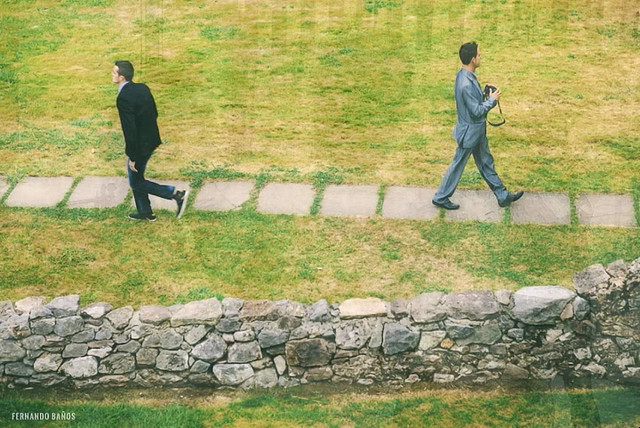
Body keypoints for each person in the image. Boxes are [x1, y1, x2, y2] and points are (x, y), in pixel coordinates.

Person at [432, 42, 523, 210]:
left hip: (476, 132)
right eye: (479, 55)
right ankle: (440, 197)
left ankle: (502, 195)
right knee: (458, 164)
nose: (481, 57)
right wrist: (492, 101)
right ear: (473, 59)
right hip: (470, 134)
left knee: (486, 162)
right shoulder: (466, 83)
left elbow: (472, 103)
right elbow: (476, 111)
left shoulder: (465, 76)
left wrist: (483, 94)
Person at [112, 60, 188, 221]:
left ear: (122, 77)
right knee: (136, 178)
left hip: (140, 146)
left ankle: (175, 194)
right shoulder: (143, 88)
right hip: (151, 139)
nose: (112, 75)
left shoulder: (123, 98)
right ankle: (145, 212)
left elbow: (130, 130)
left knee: (135, 182)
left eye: (114, 73)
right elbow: (154, 113)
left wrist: (133, 156)